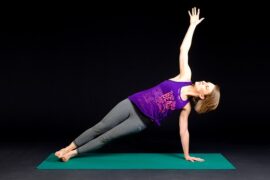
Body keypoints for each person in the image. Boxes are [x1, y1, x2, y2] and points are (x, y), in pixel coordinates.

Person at [54, 7, 220, 163]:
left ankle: (72, 154)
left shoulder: (186, 107)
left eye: (206, 86)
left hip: (141, 121)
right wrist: (192, 26)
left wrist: (187, 154)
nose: (204, 82)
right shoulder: (185, 76)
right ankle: (67, 147)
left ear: (202, 96)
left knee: (108, 137)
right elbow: (184, 50)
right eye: (206, 82)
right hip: (132, 103)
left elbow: (184, 131)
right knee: (101, 127)